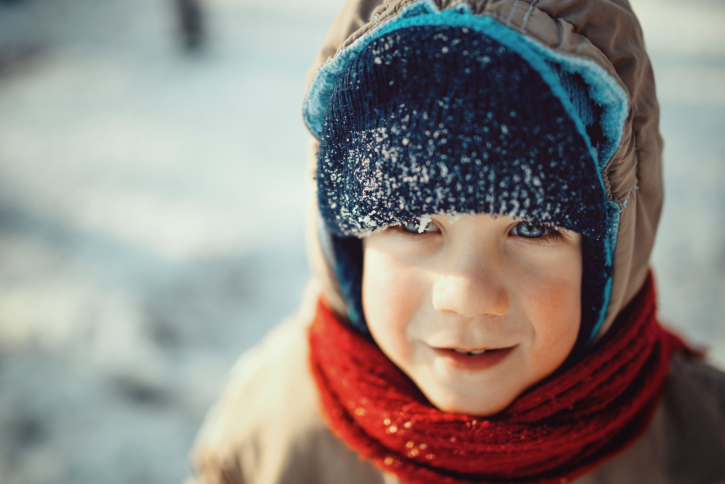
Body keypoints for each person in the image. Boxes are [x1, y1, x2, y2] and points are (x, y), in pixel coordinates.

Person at [185, 0, 725, 483]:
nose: (466, 294)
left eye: (532, 227)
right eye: (417, 225)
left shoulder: (698, 444)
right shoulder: (273, 436)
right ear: (349, 245)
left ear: (609, 255)